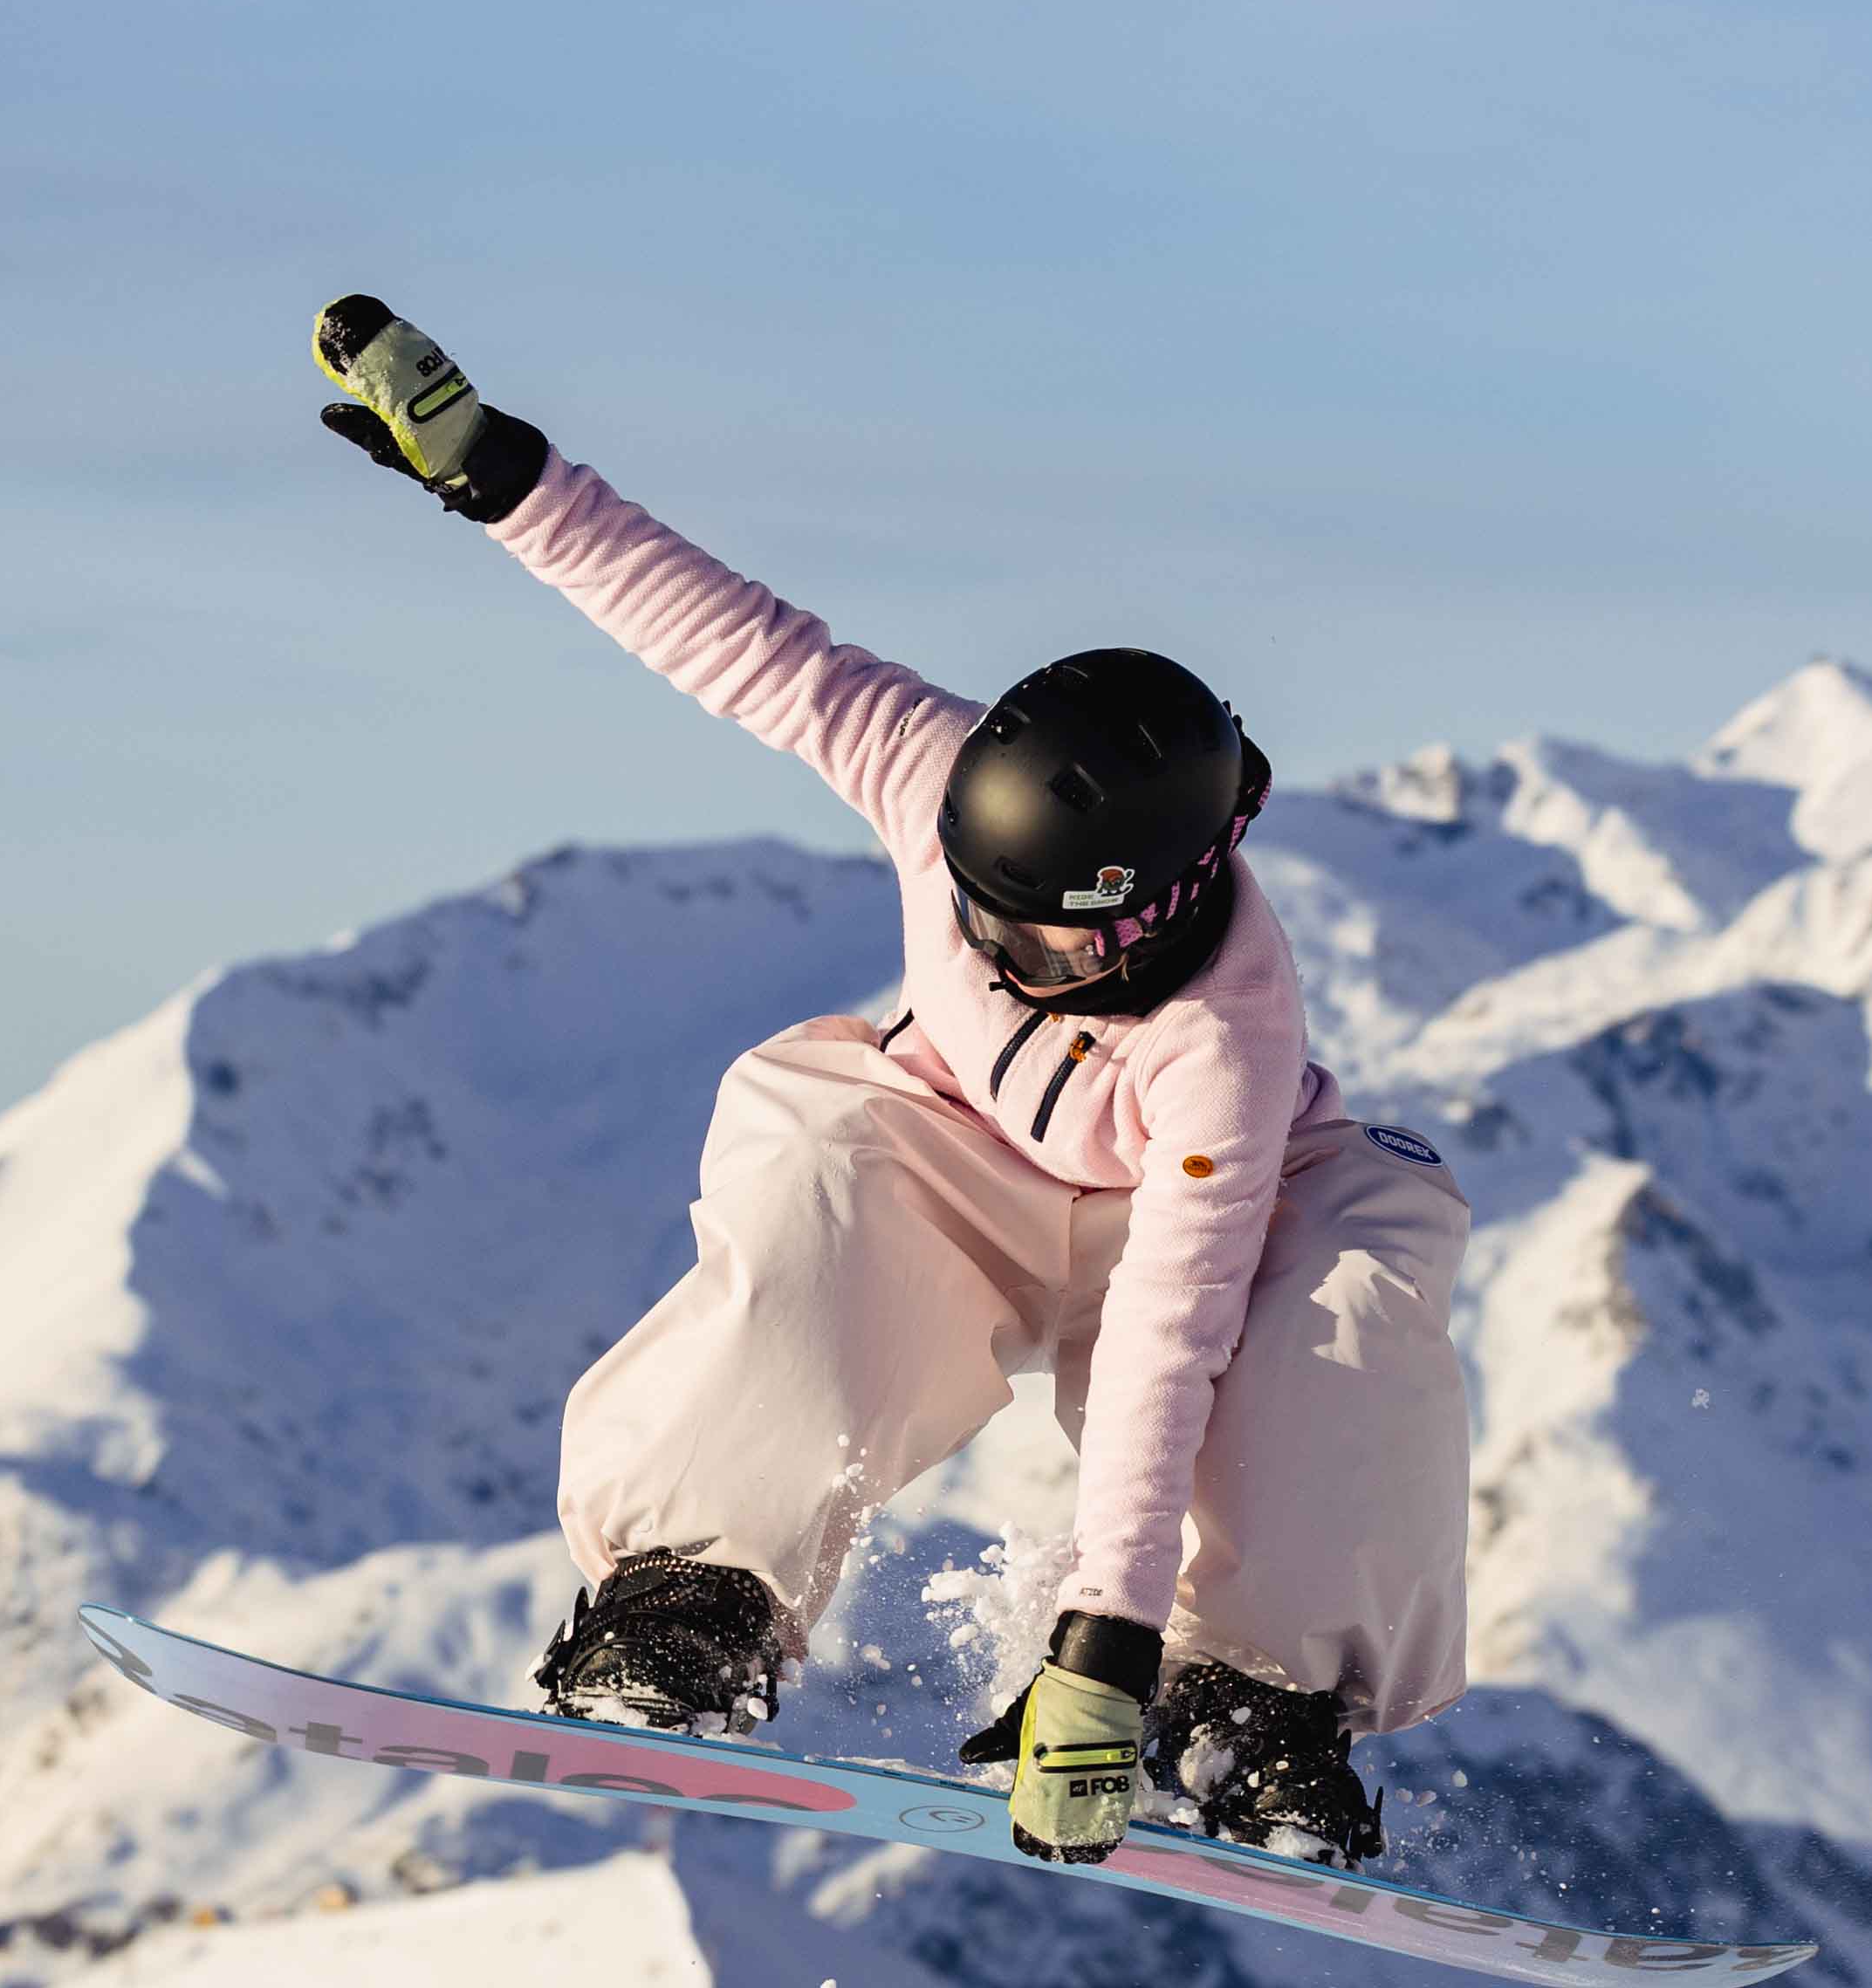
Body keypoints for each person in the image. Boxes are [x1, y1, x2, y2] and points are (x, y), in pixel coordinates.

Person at [303, 294, 1471, 1870]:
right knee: (818, 1147)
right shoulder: (935, 779)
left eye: (1040, 942)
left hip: (1201, 1230)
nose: (994, 955)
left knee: (1359, 1286)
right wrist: (501, 473)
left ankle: (1245, 1694)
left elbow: (1166, 1347)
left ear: (1160, 908)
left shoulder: (1222, 1046)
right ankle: (697, 1593)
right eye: (977, 913)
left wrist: (1106, 1651)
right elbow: (739, 642)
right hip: (956, 1169)